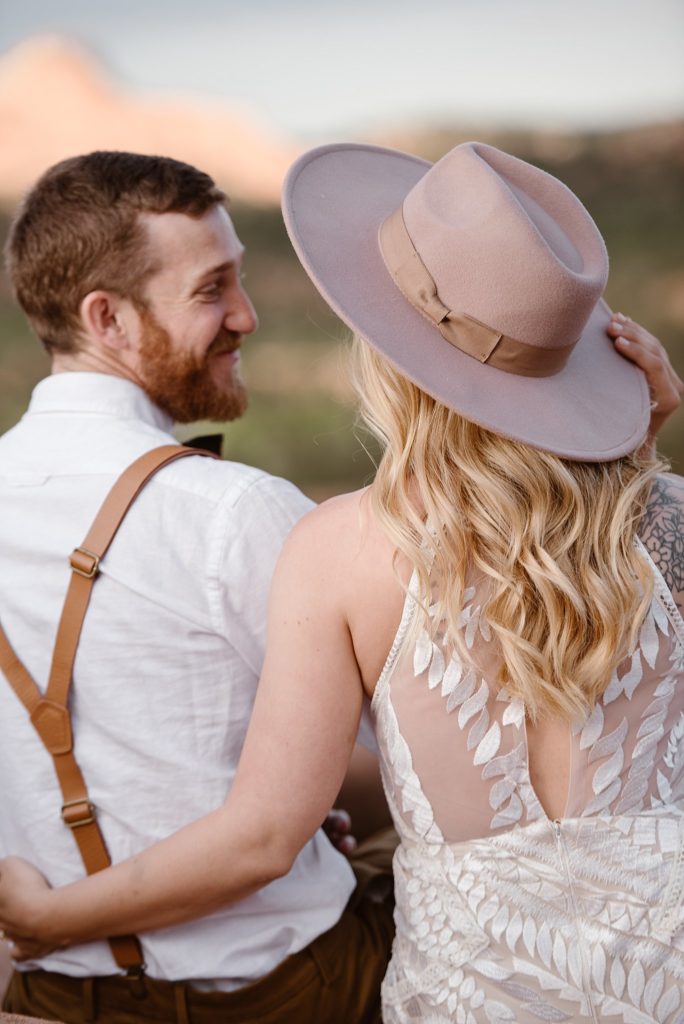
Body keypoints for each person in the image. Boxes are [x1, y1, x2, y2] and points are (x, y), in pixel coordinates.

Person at [1, 141, 683, 1023]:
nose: (247, 316)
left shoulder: (341, 548)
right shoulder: (669, 520)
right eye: (214, 289)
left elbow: (277, 820)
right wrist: (640, 449)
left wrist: (46, 914)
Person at [0, 151, 395, 1024]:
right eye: (212, 289)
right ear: (107, 317)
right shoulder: (235, 511)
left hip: (52, 991)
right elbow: (419, 748)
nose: (246, 317)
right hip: (285, 993)